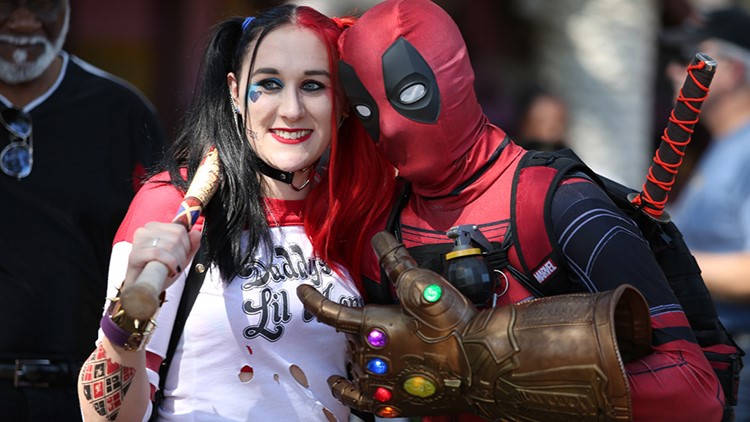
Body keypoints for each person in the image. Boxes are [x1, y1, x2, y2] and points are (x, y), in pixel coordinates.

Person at [302, 0, 728, 420]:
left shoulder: (554, 202)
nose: (390, 124)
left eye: (410, 93)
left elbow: (695, 390)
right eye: (367, 110)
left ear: (455, 76)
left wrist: (492, 369)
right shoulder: (382, 232)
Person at [76, 4, 394, 421]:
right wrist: (128, 315)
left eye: (314, 86)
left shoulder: (363, 210)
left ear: (345, 102)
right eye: (269, 83)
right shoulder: (173, 204)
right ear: (234, 92)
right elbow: (104, 417)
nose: (292, 109)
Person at [0, 1, 167, 420]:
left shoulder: (123, 112)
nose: (23, 20)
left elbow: (163, 262)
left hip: (83, 398)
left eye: (41, 4)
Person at [667, 7, 750, 421]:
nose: (671, 70)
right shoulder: (724, 146)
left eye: (688, 58)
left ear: (731, 71)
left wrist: (666, 262)